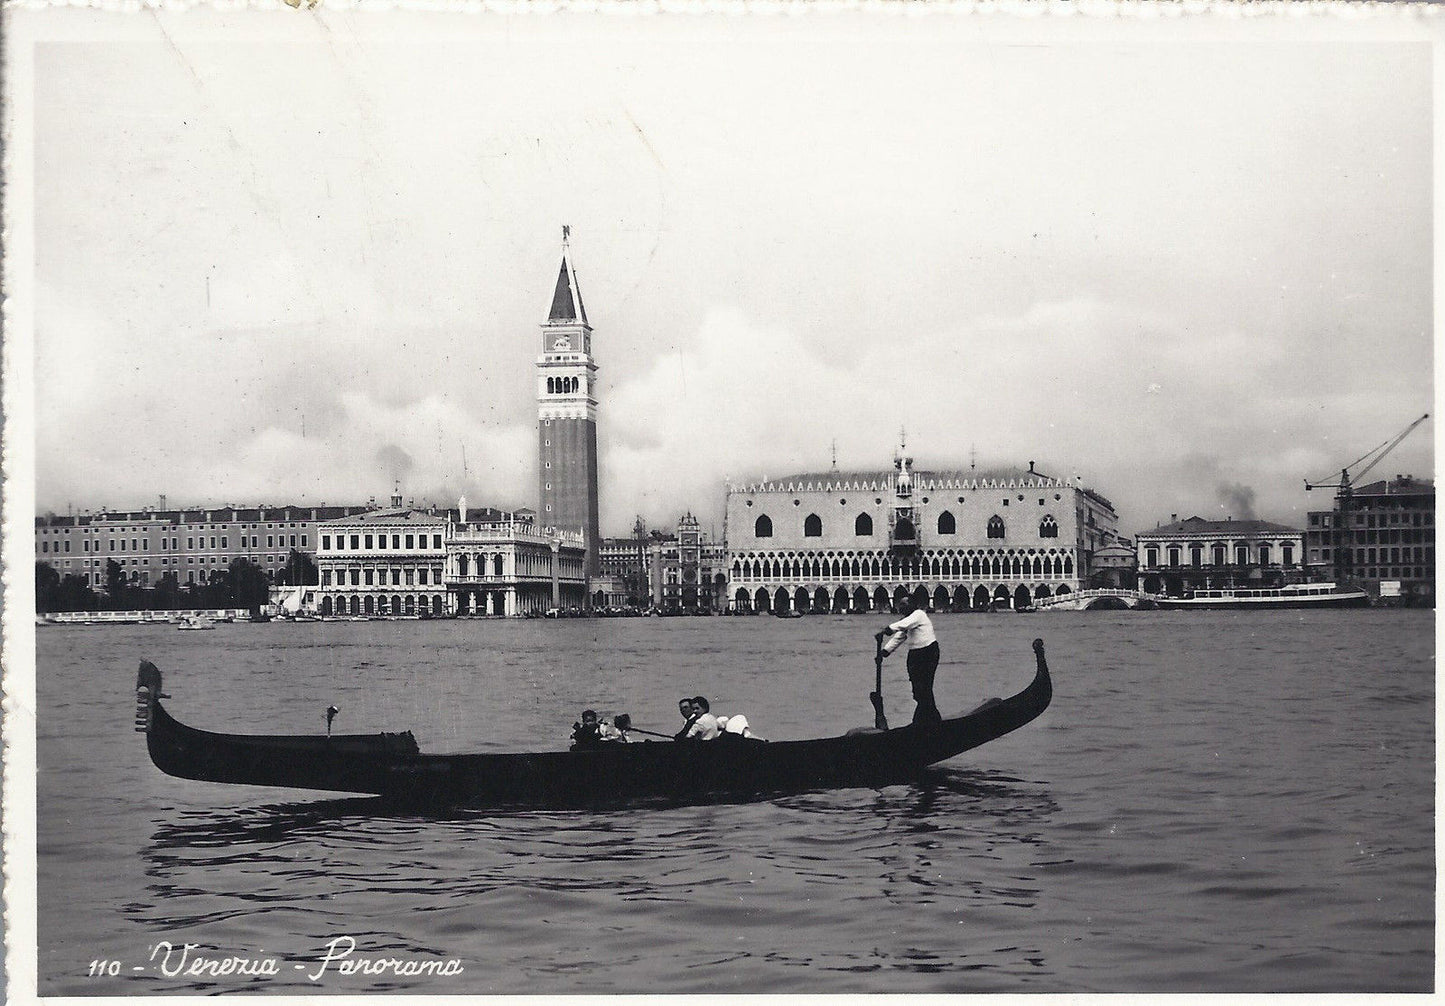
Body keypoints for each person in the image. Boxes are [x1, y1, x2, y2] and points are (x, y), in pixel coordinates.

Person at [877, 596, 943, 726]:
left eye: (903, 604)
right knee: (918, 691)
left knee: (924, 689)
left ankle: (925, 720)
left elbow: (903, 625)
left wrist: (886, 630)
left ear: (912, 605)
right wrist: (885, 652)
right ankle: (929, 719)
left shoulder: (919, 615)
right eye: (900, 605)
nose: (900, 607)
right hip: (915, 655)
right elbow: (899, 637)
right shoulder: (907, 620)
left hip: (928, 653)